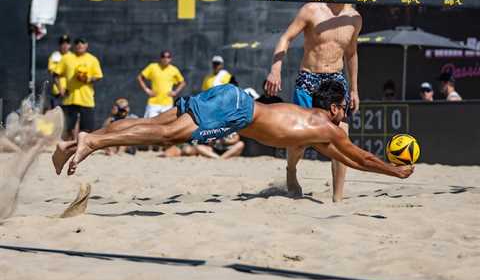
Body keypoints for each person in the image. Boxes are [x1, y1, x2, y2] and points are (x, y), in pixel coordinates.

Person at [52, 81, 414, 202]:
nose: (345, 116)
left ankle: (86, 138)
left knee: (153, 122)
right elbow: (361, 158)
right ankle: (92, 144)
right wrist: (395, 173)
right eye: (344, 109)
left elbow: (347, 158)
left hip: (233, 97)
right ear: (334, 107)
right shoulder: (329, 128)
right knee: (165, 136)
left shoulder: (315, 126)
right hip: (236, 110)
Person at [264, 0, 362, 201]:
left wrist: (355, 89)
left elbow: (351, 54)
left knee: (341, 140)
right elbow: (285, 38)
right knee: (300, 141)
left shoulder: (355, 18)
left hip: (335, 80)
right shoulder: (312, 10)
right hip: (309, 78)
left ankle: (338, 198)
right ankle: (291, 171)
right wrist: (275, 69)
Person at [53, 37, 103, 140]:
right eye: (77, 43)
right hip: (70, 99)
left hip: (86, 99)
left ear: (86, 45)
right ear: (74, 46)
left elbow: (98, 76)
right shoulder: (67, 58)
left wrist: (88, 79)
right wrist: (60, 89)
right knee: (67, 129)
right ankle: (66, 150)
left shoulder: (92, 59)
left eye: (82, 42)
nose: (80, 44)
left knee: (87, 129)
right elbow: (55, 74)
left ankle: (81, 149)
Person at [137, 50, 186, 118]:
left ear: (170, 59)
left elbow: (182, 82)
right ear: (160, 58)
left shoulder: (174, 70)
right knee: (149, 125)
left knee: (167, 126)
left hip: (167, 104)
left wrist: (175, 92)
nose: (166, 59)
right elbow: (140, 77)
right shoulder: (152, 67)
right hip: (153, 103)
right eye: (163, 57)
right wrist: (147, 90)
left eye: (168, 57)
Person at [47, 34, 73, 109]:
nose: (65, 46)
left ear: (70, 45)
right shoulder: (55, 56)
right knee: (56, 114)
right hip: (57, 91)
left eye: (67, 43)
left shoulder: (72, 56)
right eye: (62, 43)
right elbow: (52, 72)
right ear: (59, 45)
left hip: (69, 91)